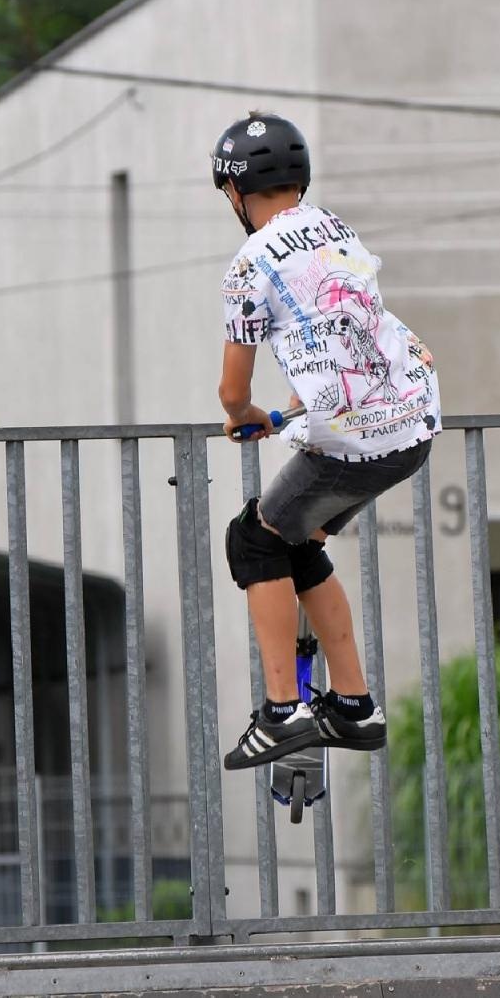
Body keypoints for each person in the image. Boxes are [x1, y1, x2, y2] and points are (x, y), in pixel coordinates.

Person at [212, 113, 441, 770]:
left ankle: (285, 712)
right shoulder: (335, 227)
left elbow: (232, 391)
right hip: (413, 422)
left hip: (351, 439)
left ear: (236, 193)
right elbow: (347, 337)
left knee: (253, 540)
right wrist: (290, 409)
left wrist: (247, 415)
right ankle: (355, 707)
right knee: (296, 539)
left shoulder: (249, 264)